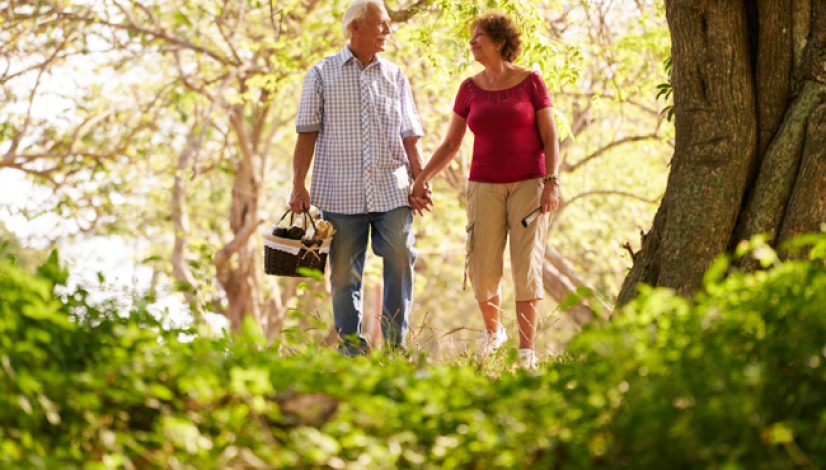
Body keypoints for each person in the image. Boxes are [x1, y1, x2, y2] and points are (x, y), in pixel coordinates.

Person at [411, 13, 560, 369]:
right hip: (483, 188)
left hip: (529, 186)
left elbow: (550, 135)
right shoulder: (469, 88)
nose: (472, 42)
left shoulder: (531, 82)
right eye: (471, 37)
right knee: (482, 267)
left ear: (499, 41)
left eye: (478, 36)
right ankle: (494, 333)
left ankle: (527, 354)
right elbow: (451, 144)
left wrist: (552, 182)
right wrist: (423, 177)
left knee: (526, 268)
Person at [290, 0, 427, 355]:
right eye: (381, 24)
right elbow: (306, 133)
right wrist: (298, 184)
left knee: (400, 254)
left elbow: (410, 134)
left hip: (392, 187)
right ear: (356, 28)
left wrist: (421, 178)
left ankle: (396, 346)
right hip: (339, 191)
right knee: (342, 275)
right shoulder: (321, 73)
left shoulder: (395, 75)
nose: (388, 31)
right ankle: (352, 348)